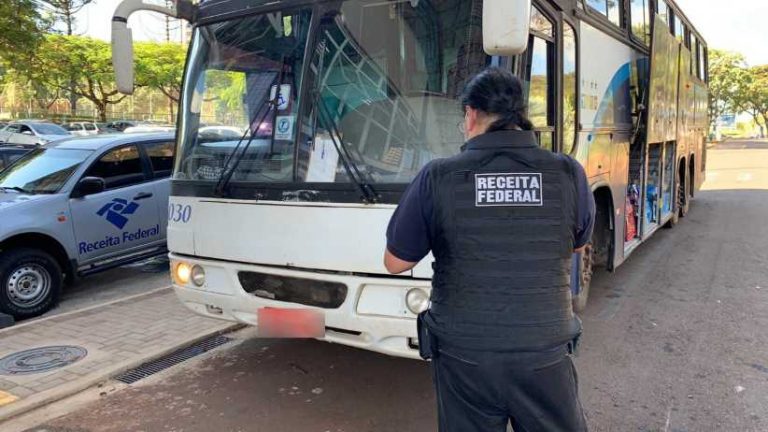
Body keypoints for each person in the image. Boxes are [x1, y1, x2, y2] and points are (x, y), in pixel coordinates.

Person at [383, 67, 595, 432]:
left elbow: (396, 262)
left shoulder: (438, 176)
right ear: (520, 114)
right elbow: (578, 244)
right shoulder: (567, 172)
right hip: (544, 352)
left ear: (470, 115)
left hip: (466, 358)